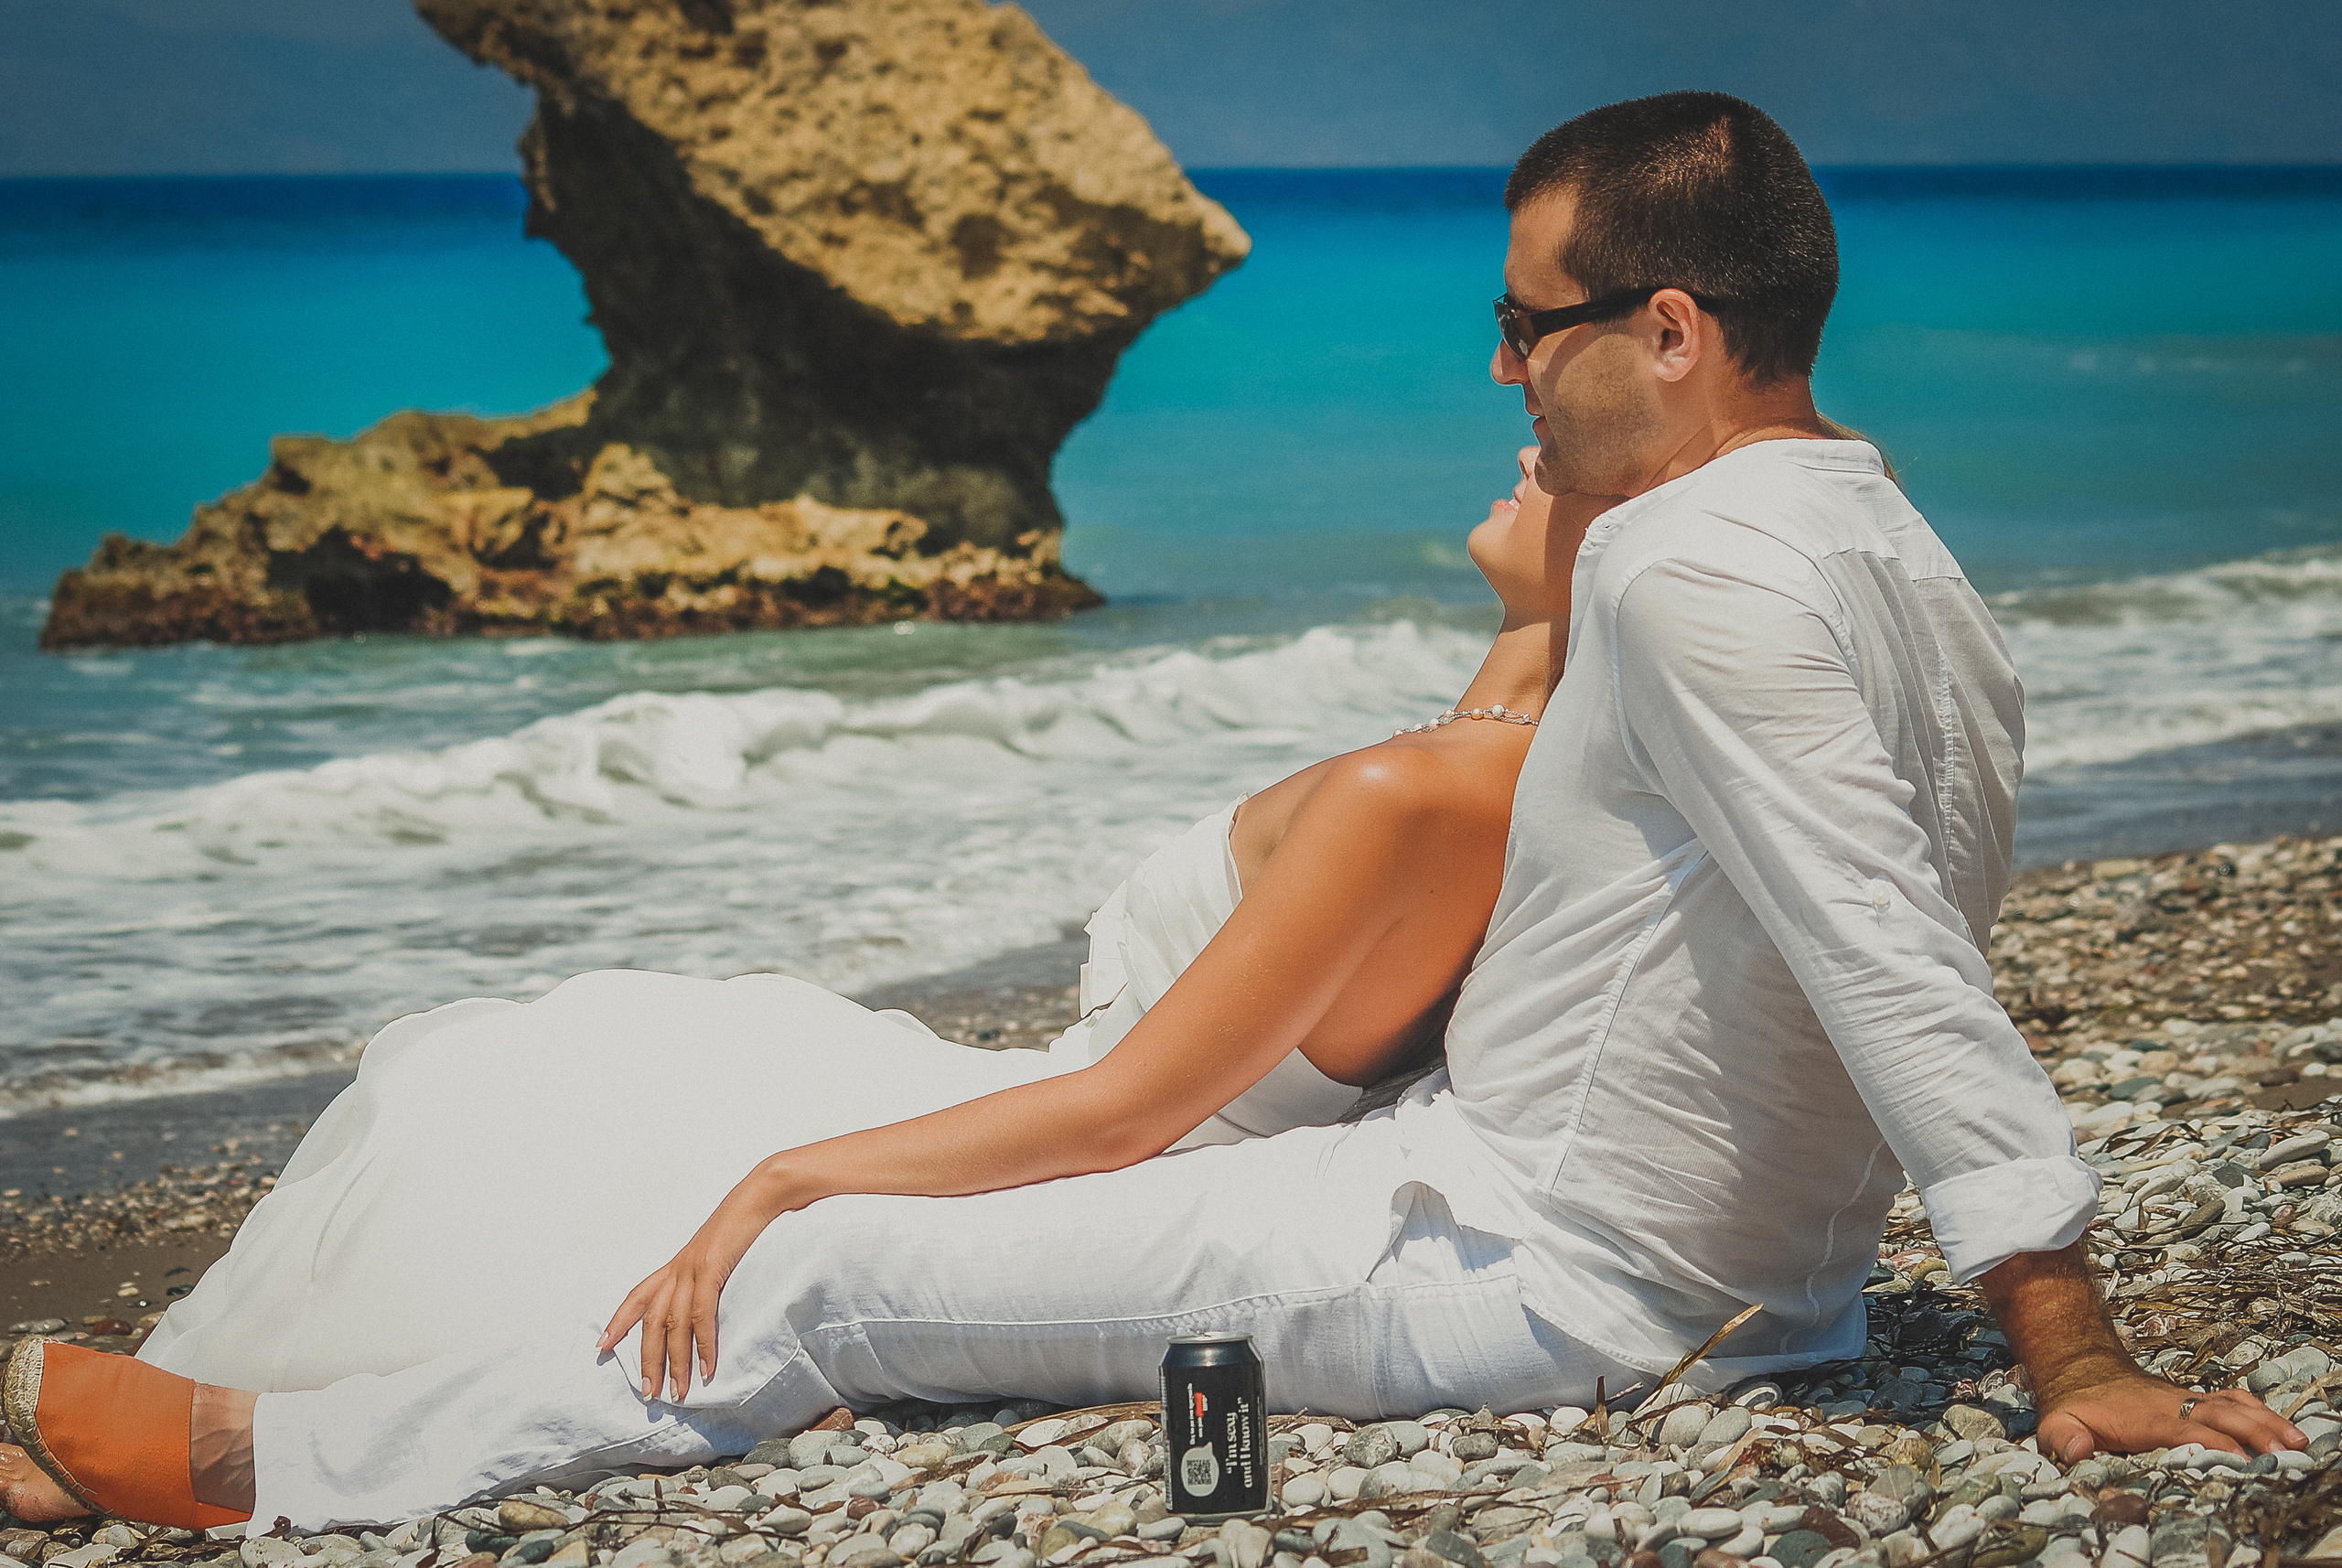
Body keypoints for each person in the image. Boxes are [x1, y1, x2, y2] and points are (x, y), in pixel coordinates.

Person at [1, 90, 2304, 1536]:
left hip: (1553, 1274)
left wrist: (2061, 1336)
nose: (1499, 367)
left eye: (1528, 326)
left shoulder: (1695, 571)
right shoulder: (1898, 551)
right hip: (1647, 1247)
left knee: (822, 1269)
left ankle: (264, 1468)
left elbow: (1887, 942)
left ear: (1670, 328)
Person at [0, 457, 1611, 1529]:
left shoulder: (1444, 790)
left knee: (551, 1127)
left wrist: (783, 1182)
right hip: (1082, 1091)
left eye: (1561, 441)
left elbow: (1128, 1115)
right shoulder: (1509, 701)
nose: (1521, 428)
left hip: (1098, 1141)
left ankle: (243, 1446)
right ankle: (222, 1408)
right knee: (572, 1067)